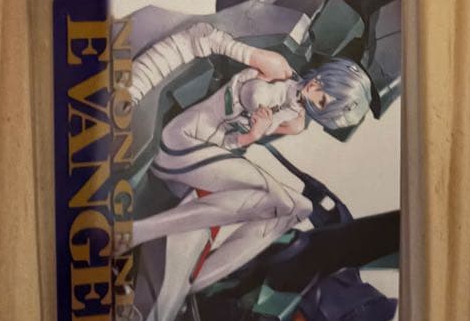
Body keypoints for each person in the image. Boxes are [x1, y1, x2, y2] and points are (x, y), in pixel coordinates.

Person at [119, 21, 373, 291]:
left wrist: (252, 135)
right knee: (277, 199)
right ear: (324, 77)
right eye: (323, 97)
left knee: (298, 208)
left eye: (323, 111)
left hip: (212, 155)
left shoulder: (296, 122)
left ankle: (196, 282)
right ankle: (136, 233)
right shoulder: (277, 69)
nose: (316, 101)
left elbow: (236, 141)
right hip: (183, 141)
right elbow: (209, 37)